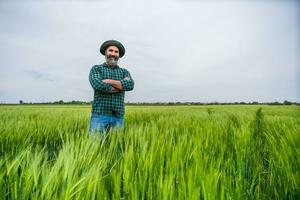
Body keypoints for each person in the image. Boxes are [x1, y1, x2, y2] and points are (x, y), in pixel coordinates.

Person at [89, 40, 134, 135]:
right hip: (99, 116)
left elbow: (130, 85)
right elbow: (98, 85)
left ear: (119, 55)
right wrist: (120, 87)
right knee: (95, 146)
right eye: (110, 50)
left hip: (118, 116)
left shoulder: (124, 72)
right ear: (105, 53)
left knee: (116, 147)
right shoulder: (97, 69)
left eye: (116, 52)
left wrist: (108, 81)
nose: (113, 54)